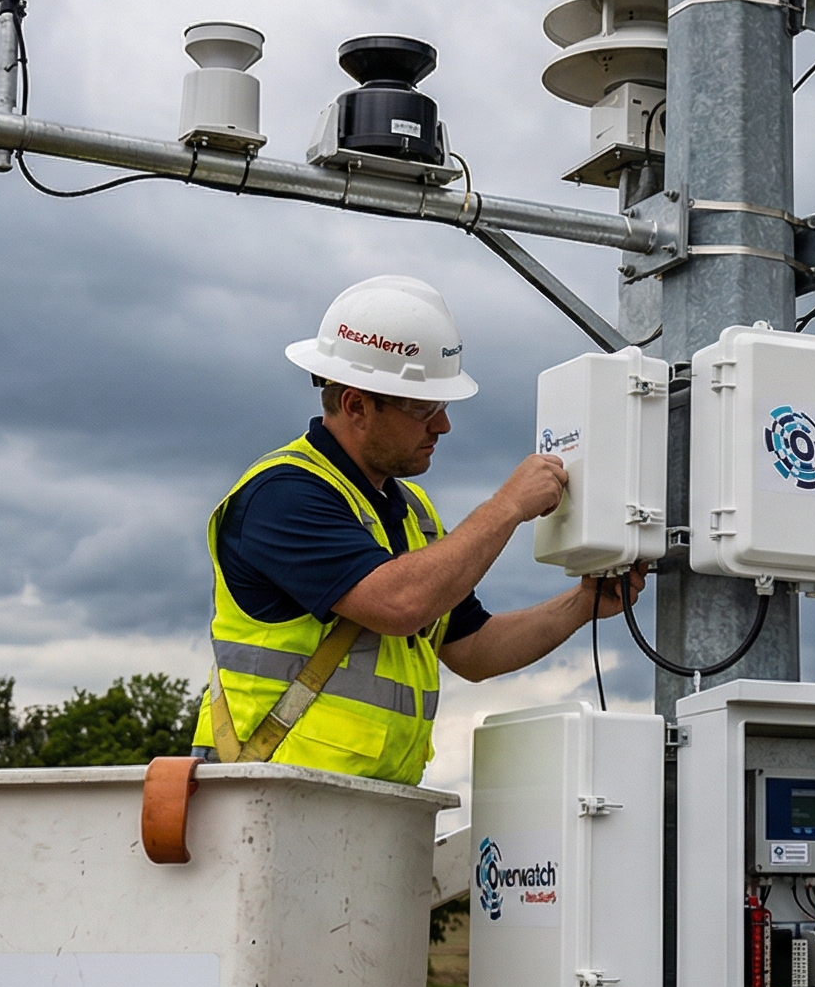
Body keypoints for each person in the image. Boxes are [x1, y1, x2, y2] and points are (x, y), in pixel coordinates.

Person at [189, 275, 643, 783]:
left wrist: (582, 604)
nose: (442, 426)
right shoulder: (283, 496)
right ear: (356, 406)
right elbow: (398, 604)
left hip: (359, 801)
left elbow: (473, 650)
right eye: (424, 409)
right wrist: (509, 506)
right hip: (267, 793)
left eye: (443, 408)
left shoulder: (411, 513)